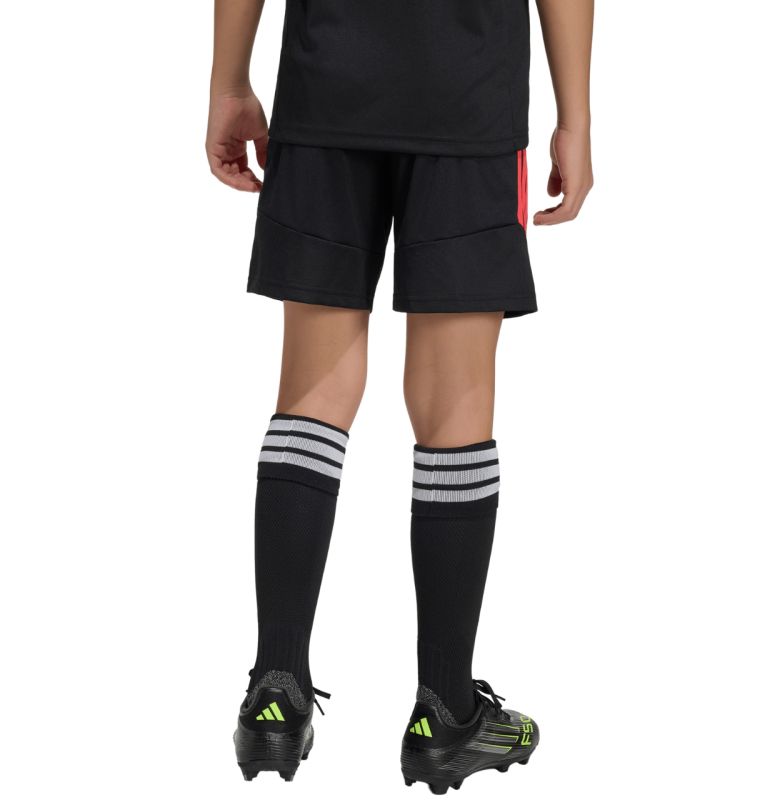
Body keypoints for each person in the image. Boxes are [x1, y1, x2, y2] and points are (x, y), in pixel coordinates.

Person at [206, 0, 593, 792]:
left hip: (325, 86)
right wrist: (575, 114)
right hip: (469, 95)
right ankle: (444, 711)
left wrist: (229, 81)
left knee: (311, 392)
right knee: (455, 403)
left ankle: (276, 690)